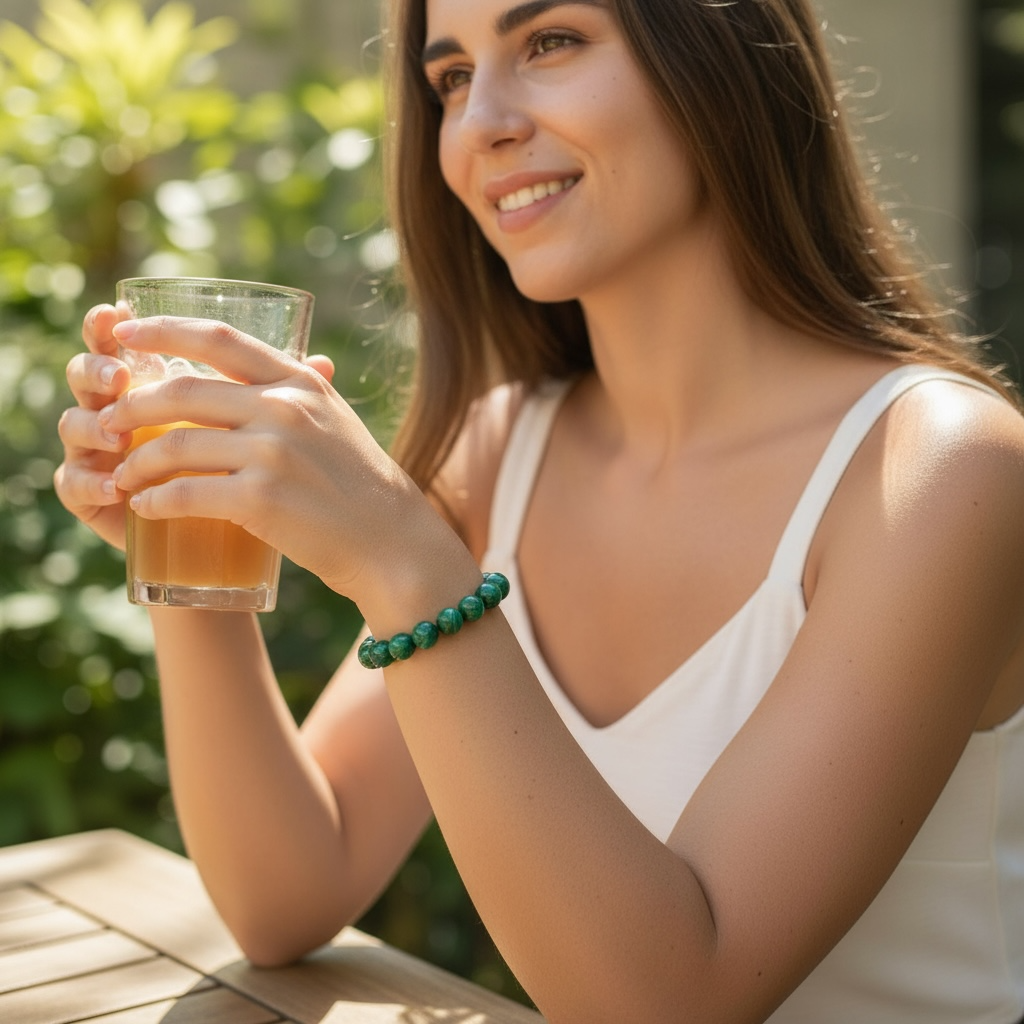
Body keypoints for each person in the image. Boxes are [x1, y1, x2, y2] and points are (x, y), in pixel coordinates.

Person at [54, 0, 1024, 1020]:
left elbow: (670, 1000)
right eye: (451, 79)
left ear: (722, 53)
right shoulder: (505, 446)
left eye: (549, 42)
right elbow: (285, 891)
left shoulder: (939, 470)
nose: (480, 126)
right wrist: (187, 522)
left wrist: (407, 566)